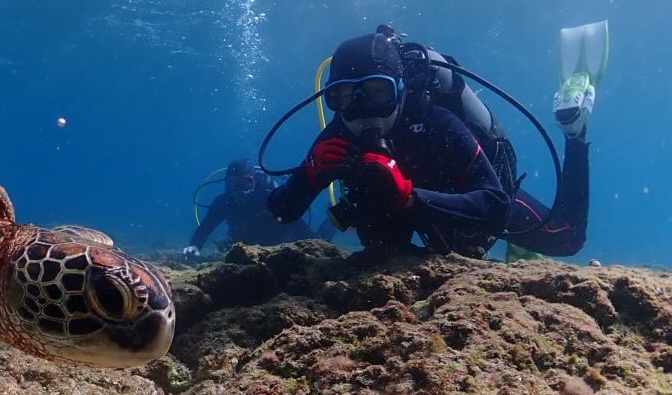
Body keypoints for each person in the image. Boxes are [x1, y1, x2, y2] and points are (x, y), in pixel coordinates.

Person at [266, 27, 591, 258]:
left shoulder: (435, 121)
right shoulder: (338, 134)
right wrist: (305, 179)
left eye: (379, 92)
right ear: (332, 99)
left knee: (568, 240)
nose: (363, 110)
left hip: (465, 212)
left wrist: (410, 196)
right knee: (383, 251)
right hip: (402, 224)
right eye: (345, 96)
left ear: (400, 89)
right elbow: (281, 213)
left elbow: (496, 205)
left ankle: (575, 133)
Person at [183, 157, 334, 260]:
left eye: (244, 183)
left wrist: (319, 244)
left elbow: (298, 224)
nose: (238, 190)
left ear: (254, 181)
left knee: (321, 241)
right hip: (247, 248)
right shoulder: (223, 202)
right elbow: (206, 226)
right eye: (232, 184)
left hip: (285, 245)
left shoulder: (271, 197)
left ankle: (331, 219)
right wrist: (194, 246)